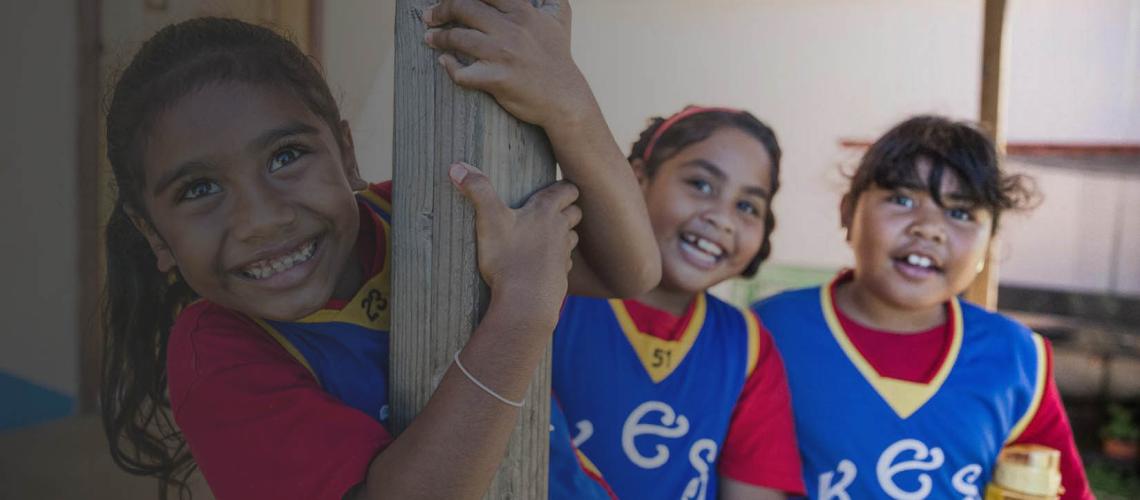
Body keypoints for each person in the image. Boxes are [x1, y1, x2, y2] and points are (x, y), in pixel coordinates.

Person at [98, 1, 660, 498]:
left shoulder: (422, 213)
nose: (261, 220)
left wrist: (570, 105)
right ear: (152, 233)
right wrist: (520, 314)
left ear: (346, 154)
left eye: (286, 156)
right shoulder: (217, 356)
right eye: (199, 189)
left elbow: (630, 271)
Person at [754, 115, 1092, 499]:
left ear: (990, 243)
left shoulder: (1016, 359)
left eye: (961, 213)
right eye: (902, 200)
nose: (928, 228)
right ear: (848, 212)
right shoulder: (769, 333)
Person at [552, 106, 806, 500]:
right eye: (702, 185)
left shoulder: (749, 347)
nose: (722, 218)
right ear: (637, 178)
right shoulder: (557, 296)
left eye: (747, 207)